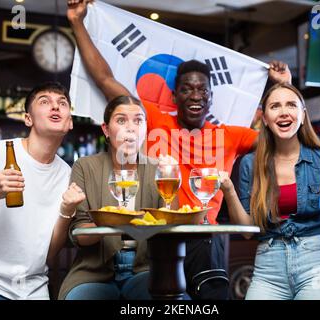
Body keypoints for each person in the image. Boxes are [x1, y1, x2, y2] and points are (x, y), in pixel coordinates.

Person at [67, 0, 291, 299]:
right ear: (175, 95)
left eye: (202, 90)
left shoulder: (230, 135)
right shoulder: (151, 119)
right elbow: (105, 80)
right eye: (187, 88)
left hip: (203, 237)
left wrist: (283, 88)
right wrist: (77, 23)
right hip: (156, 240)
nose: (195, 95)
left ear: (211, 97)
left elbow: (282, 135)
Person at [0, 82, 85, 300]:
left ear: (70, 123)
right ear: (28, 119)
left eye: (62, 103)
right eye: (45, 102)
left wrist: (67, 211)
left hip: (33, 288)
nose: (55, 107)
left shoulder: (67, 175)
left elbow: (48, 253)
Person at [220, 83, 320, 300]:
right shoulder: (250, 164)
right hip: (268, 266)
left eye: (291, 105)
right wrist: (229, 191)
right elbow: (248, 231)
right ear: (265, 119)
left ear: (302, 114)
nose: (284, 112)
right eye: (275, 106)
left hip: (316, 263)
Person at [58, 95, 165, 300]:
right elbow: (80, 233)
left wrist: (170, 176)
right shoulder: (85, 167)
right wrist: (120, 221)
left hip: (145, 270)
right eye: (121, 120)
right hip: (94, 273)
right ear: (106, 130)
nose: (131, 128)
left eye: (138, 120)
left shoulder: (158, 169)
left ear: (145, 129)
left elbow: (168, 226)